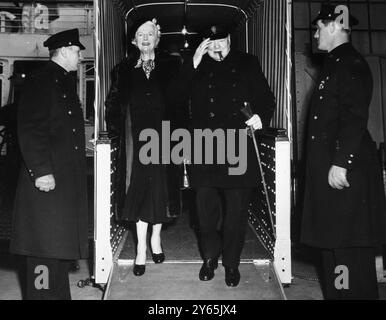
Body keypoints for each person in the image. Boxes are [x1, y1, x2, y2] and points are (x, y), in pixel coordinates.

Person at [177, 25, 275, 286]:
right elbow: (175, 99)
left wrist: (260, 117)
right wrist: (193, 64)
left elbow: (266, 98)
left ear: (230, 39)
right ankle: (210, 257)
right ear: (203, 47)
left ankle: (231, 263)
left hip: (237, 147)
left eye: (221, 41)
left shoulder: (247, 62)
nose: (217, 47)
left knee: (236, 212)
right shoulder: (195, 67)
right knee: (205, 212)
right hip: (204, 148)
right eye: (210, 44)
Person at [301, 4, 386, 299]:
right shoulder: (335, 64)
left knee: (348, 255)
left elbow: (353, 116)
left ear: (335, 25)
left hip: (344, 177)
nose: (315, 34)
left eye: (318, 28)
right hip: (333, 181)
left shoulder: (349, 63)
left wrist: (341, 162)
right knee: (334, 251)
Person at [9, 28, 88, 300]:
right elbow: (30, 128)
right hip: (46, 182)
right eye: (77, 51)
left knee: (56, 250)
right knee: (43, 249)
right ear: (65, 51)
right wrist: (41, 172)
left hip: (63, 181)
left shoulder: (61, 80)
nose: (79, 57)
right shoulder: (42, 81)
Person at [105, 18, 175, 276]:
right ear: (133, 41)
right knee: (139, 191)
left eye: (150, 34)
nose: (145, 38)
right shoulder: (122, 69)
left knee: (159, 191)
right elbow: (113, 106)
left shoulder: (171, 66)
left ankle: (156, 239)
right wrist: (111, 135)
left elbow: (180, 102)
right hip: (135, 140)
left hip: (164, 138)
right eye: (140, 34)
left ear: (157, 39)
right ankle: (141, 250)